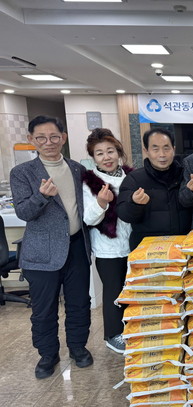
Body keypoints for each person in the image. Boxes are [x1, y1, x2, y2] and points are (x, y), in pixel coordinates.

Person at [10, 115, 93, 379]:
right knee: (44, 309)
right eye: (41, 138)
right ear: (31, 139)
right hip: (42, 253)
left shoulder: (77, 169)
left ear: (63, 138)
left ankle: (78, 347)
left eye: (54, 136)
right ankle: (47, 354)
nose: (49, 142)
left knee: (79, 303)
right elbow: (24, 212)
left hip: (77, 246)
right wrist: (42, 197)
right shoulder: (22, 173)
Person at [81, 128, 133, 354]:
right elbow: (88, 219)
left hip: (133, 245)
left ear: (118, 152)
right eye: (99, 153)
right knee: (113, 291)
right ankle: (113, 335)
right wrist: (101, 202)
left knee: (132, 289)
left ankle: (131, 330)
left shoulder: (131, 176)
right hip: (107, 248)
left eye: (110, 151)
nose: (106, 157)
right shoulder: (90, 182)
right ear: (93, 158)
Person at [117, 127, 192, 250]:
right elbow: (124, 214)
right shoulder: (134, 179)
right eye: (155, 149)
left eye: (166, 148)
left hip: (182, 248)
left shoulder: (185, 175)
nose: (162, 154)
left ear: (173, 149)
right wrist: (134, 203)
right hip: (149, 251)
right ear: (146, 151)